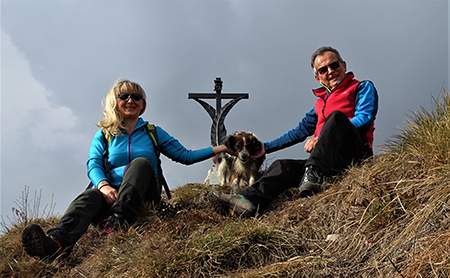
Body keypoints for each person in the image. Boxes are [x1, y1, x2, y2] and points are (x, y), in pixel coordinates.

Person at [22, 79, 230, 263]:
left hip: (144, 196)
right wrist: (103, 187)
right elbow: (93, 163)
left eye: (136, 97)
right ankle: (55, 245)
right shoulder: (105, 134)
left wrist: (223, 147)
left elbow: (185, 156)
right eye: (124, 96)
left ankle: (117, 223)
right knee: (88, 198)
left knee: (140, 164)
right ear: (116, 101)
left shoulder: (153, 132)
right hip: (111, 195)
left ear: (143, 105)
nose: (131, 100)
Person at [211, 46, 378, 217]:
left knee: (336, 118)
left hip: (355, 154)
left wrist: (320, 137)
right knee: (282, 166)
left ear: (343, 65)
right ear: (318, 77)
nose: (330, 71)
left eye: (334, 65)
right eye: (323, 69)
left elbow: (364, 119)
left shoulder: (362, 87)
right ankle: (246, 201)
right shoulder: (320, 103)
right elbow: (299, 131)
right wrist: (265, 147)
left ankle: (313, 175)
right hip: (327, 162)